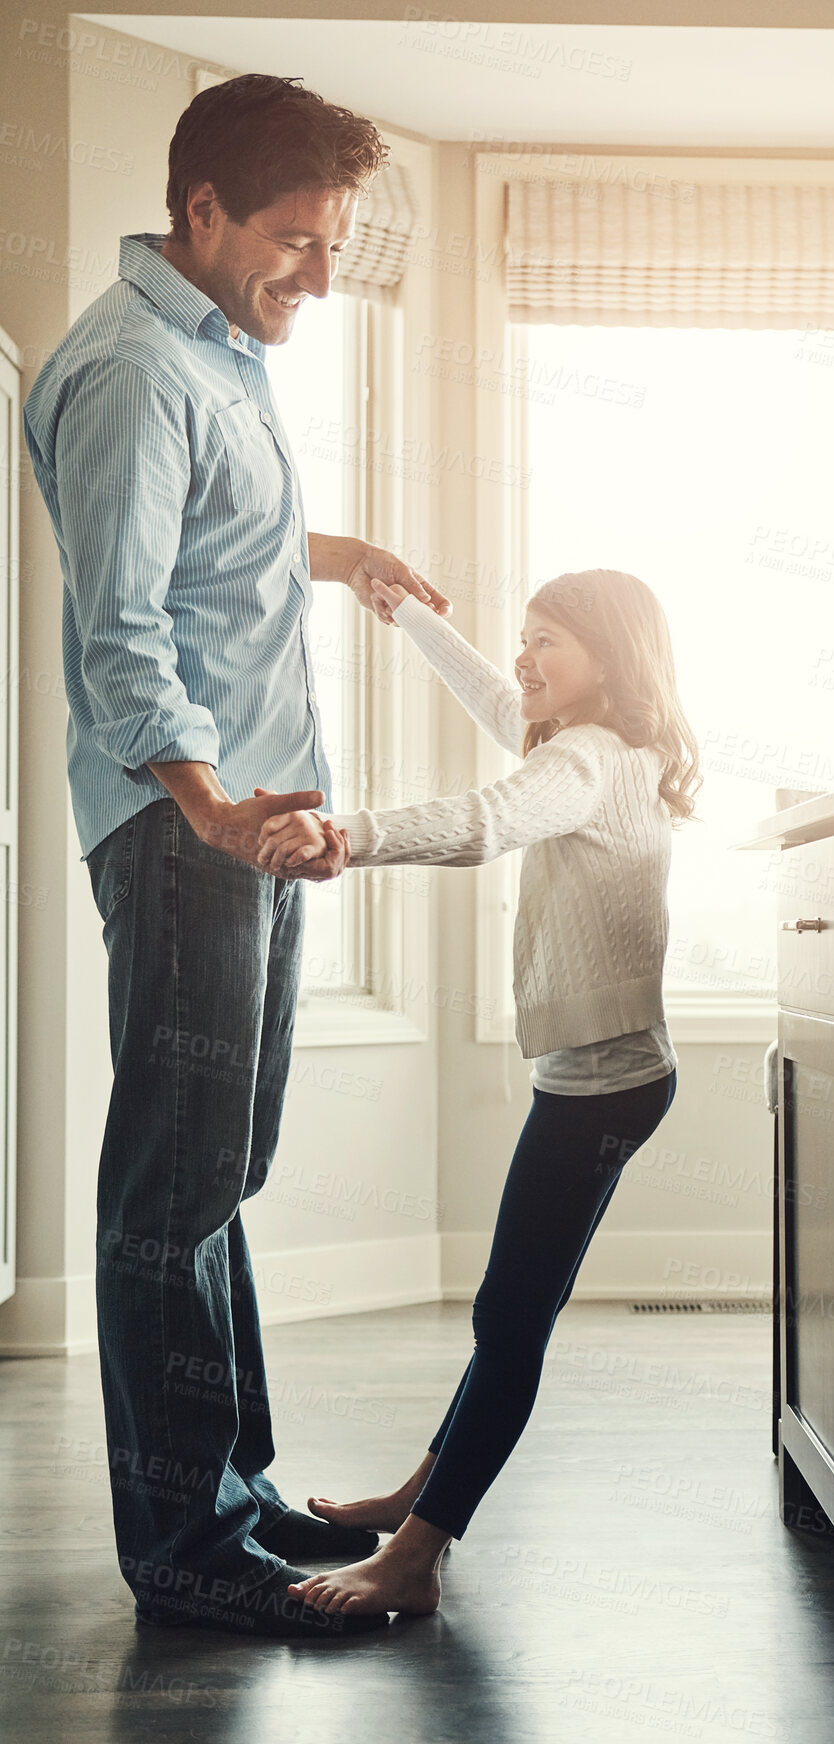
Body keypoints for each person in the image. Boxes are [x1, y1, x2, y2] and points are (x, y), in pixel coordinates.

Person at [21, 73, 447, 1638]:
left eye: (333, 245)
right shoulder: (134, 368)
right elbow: (122, 636)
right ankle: (185, 1556)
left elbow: (210, 540)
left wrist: (334, 556)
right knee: (171, 1192)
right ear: (201, 212)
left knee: (220, 1175)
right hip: (198, 830)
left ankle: (234, 1493)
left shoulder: (215, 347)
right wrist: (207, 810)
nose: (320, 279)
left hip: (255, 829)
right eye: (296, 242)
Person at [256, 566, 701, 1616]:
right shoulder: (603, 745)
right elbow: (505, 711)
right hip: (608, 1075)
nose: (524, 657)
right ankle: (424, 1492)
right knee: (512, 1314)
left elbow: (486, 819)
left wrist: (348, 835)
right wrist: (409, 612)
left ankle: (415, 1556)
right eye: (524, 634)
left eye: (550, 639)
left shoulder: (587, 761)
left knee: (508, 1321)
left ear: (614, 658)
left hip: (602, 1087)